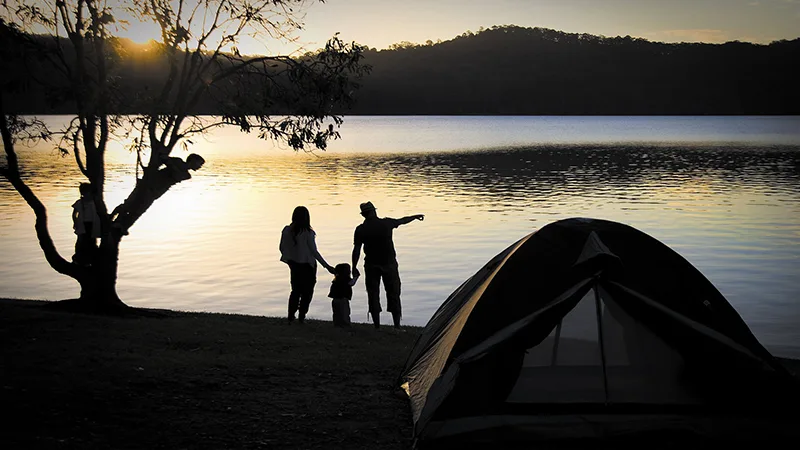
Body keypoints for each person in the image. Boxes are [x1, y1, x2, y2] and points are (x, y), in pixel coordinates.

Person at [351, 201, 424, 329]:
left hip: (371, 265)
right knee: (394, 293)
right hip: (389, 264)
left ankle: (377, 326)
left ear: (363, 215)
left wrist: (354, 266)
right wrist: (415, 217)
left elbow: (357, 249)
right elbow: (402, 221)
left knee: (373, 294)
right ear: (374, 211)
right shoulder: (386, 223)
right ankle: (397, 326)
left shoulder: (361, 229)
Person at [279, 206, 336, 323]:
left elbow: (282, 248)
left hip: (294, 265)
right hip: (308, 266)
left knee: (295, 291)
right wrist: (327, 266)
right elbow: (314, 252)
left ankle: (291, 315)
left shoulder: (286, 230)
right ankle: (302, 316)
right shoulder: (308, 233)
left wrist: (289, 260)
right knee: (307, 292)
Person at [71, 182, 101, 265]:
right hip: (82, 224)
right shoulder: (79, 203)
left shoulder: (94, 203)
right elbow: (74, 214)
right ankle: (79, 257)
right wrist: (75, 222)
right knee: (81, 240)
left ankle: (92, 257)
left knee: (92, 240)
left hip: (92, 224)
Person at [328, 263, 360, 327]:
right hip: (343, 299)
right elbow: (351, 283)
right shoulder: (345, 278)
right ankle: (346, 324)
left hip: (335, 299)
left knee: (336, 313)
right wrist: (356, 277)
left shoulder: (337, 278)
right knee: (345, 313)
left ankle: (337, 324)